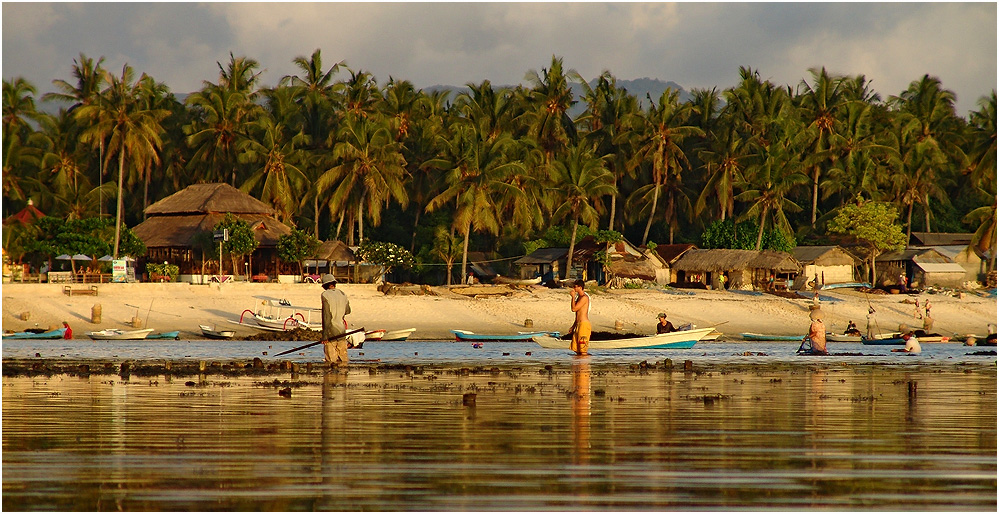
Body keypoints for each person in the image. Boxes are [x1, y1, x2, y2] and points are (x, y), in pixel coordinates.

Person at [319, 273, 351, 367]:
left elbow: (326, 317)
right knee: (343, 360)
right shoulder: (342, 294)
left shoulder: (325, 295)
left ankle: (331, 379)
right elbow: (348, 311)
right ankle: (343, 380)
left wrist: (325, 335)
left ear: (325, 285)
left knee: (330, 361)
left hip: (331, 331)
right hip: (342, 331)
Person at [568, 279, 591, 356]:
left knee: (582, 349)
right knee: (576, 349)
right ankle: (578, 366)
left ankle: (584, 366)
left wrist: (573, 297)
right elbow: (577, 314)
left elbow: (574, 309)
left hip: (584, 325)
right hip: (578, 324)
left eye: (575, 287)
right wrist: (573, 326)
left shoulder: (585, 298)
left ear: (580, 287)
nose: (574, 288)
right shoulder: (579, 297)